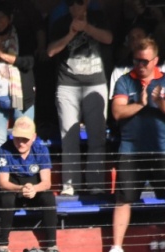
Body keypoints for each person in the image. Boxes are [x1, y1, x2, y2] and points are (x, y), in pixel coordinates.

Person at [104, 37, 165, 252]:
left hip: (163, 151)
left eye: (145, 61)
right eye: (137, 60)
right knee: (123, 201)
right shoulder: (124, 81)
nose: (141, 65)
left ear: (155, 60)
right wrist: (142, 104)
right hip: (130, 152)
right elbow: (117, 112)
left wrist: (160, 102)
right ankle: (116, 248)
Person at [46, 0, 111, 197]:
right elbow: (50, 51)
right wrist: (71, 33)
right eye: (71, 4)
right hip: (67, 84)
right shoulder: (61, 22)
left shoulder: (98, 17)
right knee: (69, 137)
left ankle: (96, 185)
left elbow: (109, 38)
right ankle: (69, 186)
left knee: (97, 137)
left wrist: (87, 28)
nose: (76, 8)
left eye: (80, 3)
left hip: (95, 83)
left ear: (87, 4)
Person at [0, 116, 60, 252]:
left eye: (25, 139)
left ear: (33, 137)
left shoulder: (41, 149)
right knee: (5, 199)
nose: (21, 143)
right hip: (13, 186)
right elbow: (3, 182)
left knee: (49, 198)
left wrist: (34, 189)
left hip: (35, 185)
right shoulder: (5, 149)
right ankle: (2, 247)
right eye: (17, 138)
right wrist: (20, 189)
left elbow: (47, 182)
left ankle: (52, 246)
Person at [0, 3, 37, 179]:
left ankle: (24, 180)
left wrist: (3, 54)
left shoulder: (23, 36)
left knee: (23, 136)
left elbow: (28, 62)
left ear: (10, 18)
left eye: (2, 17)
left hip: (22, 94)